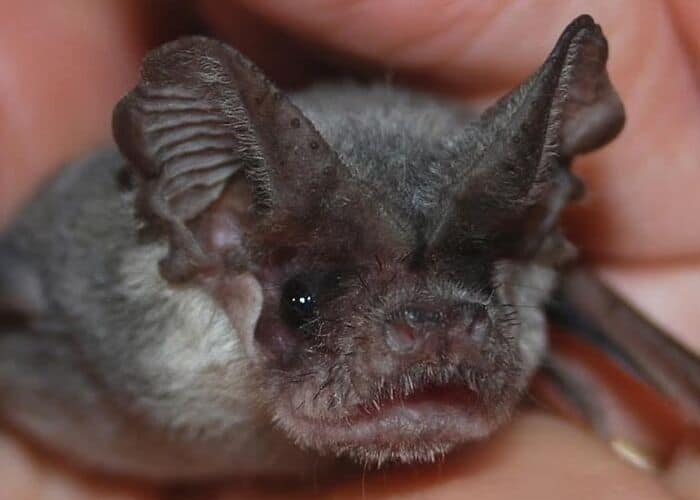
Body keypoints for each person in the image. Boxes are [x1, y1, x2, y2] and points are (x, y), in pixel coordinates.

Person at [1, 1, 698, 498]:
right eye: (305, 302)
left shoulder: (542, 265)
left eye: (481, 284)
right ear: (215, 248)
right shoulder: (74, 281)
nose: (433, 341)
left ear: (527, 246)